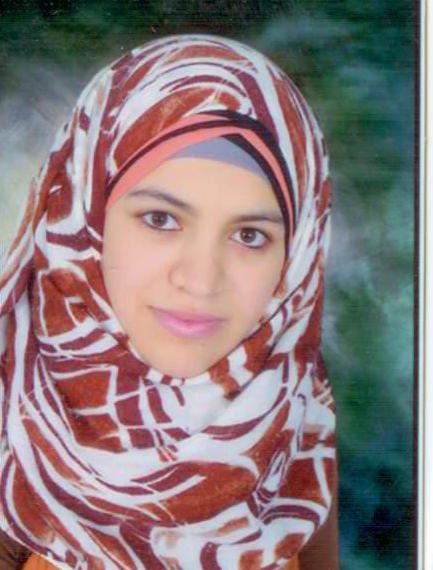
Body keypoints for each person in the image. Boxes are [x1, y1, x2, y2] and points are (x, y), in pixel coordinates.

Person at [0, 34, 337, 570]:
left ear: (294, 259)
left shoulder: (293, 402)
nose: (201, 280)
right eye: (160, 219)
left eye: (249, 235)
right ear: (84, 217)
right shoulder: (14, 402)